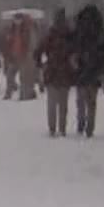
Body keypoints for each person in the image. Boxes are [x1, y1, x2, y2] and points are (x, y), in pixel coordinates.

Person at [36, 10, 75, 138]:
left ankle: (52, 128)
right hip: (65, 71)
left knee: (52, 103)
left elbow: (37, 52)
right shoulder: (70, 36)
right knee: (63, 104)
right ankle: (62, 128)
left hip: (52, 71)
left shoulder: (50, 35)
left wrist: (41, 64)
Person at [71, 5, 104, 138]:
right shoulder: (99, 32)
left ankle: (81, 122)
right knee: (91, 102)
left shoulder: (79, 30)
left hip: (81, 69)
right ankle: (90, 127)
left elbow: (74, 47)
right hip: (94, 69)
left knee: (81, 100)